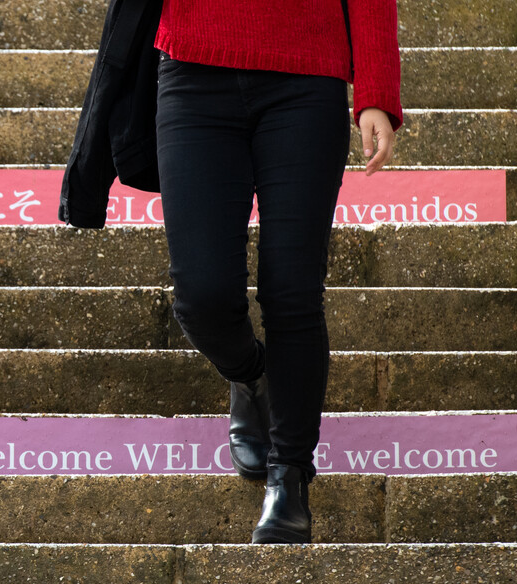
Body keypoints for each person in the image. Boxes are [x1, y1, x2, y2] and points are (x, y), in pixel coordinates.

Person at [153, 0, 402, 543]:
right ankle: (250, 376)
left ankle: (289, 473)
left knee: (292, 290)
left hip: (306, 80)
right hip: (194, 70)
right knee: (201, 297)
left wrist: (376, 92)